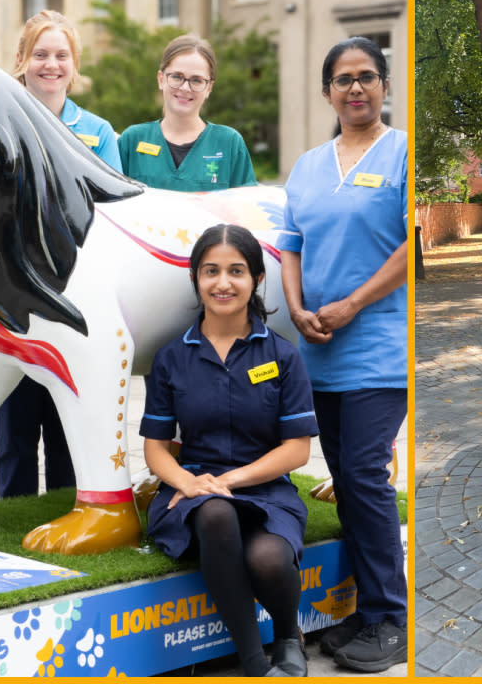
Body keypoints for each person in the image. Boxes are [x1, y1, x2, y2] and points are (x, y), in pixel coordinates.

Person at [277, 37, 408, 672]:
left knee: (362, 476)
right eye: (342, 80)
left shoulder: (404, 151)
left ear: (384, 86)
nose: (355, 88)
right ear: (327, 92)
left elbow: (410, 249)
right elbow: (290, 245)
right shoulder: (306, 166)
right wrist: (297, 307)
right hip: (318, 351)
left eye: (366, 78)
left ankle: (390, 617)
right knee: (350, 486)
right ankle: (365, 608)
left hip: (380, 347)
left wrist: (352, 304)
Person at [141, 224, 317, 677]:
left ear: (257, 278)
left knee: (268, 558)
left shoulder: (282, 355)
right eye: (210, 271)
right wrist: (188, 483)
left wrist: (231, 480)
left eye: (236, 271)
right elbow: (156, 450)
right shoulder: (171, 358)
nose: (223, 283)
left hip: (264, 489)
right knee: (216, 512)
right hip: (193, 491)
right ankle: (254, 663)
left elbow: (297, 450)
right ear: (196, 279)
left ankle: (287, 636)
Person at [0, 9, 122, 499]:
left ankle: (70, 516)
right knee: (16, 431)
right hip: (15, 301)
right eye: (40, 54)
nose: (51, 64)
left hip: (74, 301)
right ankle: (12, 523)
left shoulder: (99, 131)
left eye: (61, 55)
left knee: (69, 428)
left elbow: (110, 216)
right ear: (22, 60)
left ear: (75, 64)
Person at [118, 33, 256, 191]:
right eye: (177, 77)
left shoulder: (229, 143)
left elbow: (246, 206)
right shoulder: (132, 140)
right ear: (161, 79)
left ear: (209, 87)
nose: (185, 88)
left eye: (196, 80)